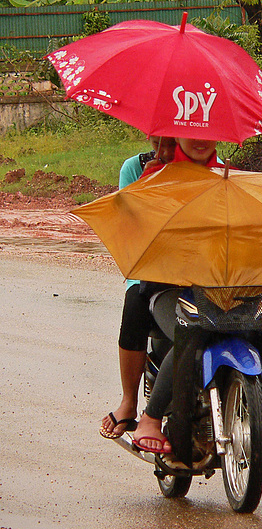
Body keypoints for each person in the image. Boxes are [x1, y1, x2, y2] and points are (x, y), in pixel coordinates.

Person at [129, 137, 262, 454]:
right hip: (168, 288)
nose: (200, 141)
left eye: (207, 134)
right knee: (191, 329)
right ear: (178, 134)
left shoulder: (233, 178)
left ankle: (260, 412)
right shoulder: (157, 178)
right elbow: (142, 230)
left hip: (221, 288)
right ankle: (150, 418)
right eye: (192, 134)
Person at [99, 136, 176, 441]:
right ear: (149, 137)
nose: (166, 151)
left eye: (173, 144)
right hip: (149, 269)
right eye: (159, 143)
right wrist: (148, 185)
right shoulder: (135, 168)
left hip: (196, 272)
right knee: (135, 302)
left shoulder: (212, 168)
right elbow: (129, 228)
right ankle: (129, 402)